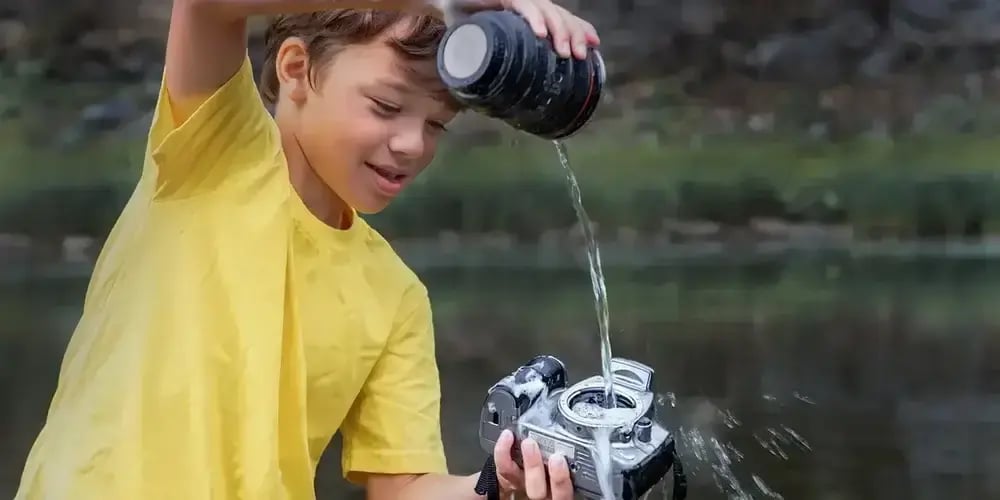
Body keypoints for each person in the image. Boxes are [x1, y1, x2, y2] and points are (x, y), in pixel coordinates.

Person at [14, 0, 600, 499]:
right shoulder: (215, 154)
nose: (410, 144)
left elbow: (404, 487)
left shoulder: (395, 296)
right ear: (296, 69)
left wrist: (501, 485)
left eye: (436, 125)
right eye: (386, 106)